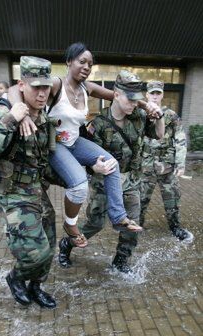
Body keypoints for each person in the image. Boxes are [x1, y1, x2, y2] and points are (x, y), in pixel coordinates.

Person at [9, 42, 143, 250]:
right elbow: (13, 89)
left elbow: (116, 95)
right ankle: (70, 225)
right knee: (79, 186)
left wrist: (146, 104)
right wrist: (20, 114)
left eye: (90, 64)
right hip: (55, 144)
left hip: (75, 142)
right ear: (69, 62)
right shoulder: (56, 84)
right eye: (82, 61)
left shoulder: (86, 88)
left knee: (111, 164)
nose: (87, 67)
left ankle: (118, 217)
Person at [58, 70, 165, 273]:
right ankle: (67, 244)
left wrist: (158, 116)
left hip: (132, 182)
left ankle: (121, 261)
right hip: (104, 183)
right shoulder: (97, 124)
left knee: (131, 226)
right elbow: (88, 157)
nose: (134, 104)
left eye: (137, 100)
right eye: (130, 99)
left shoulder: (139, 118)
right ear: (116, 94)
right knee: (95, 224)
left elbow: (159, 134)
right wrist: (93, 167)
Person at [0, 56, 60, 308]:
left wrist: (88, 171)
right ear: (21, 85)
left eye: (45, 87)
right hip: (11, 193)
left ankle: (35, 287)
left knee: (49, 242)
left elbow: (44, 163)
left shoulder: (43, 118)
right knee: (35, 252)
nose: (42, 93)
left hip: (35, 190)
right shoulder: (3, 111)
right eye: (36, 87)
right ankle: (15, 278)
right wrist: (11, 119)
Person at [140, 80, 193, 242]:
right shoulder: (140, 115)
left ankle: (175, 227)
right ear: (146, 94)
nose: (155, 96)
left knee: (172, 199)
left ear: (162, 95)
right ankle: (136, 225)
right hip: (145, 167)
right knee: (140, 199)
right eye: (152, 93)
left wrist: (180, 163)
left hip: (167, 167)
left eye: (158, 93)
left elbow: (180, 139)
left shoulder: (170, 115)